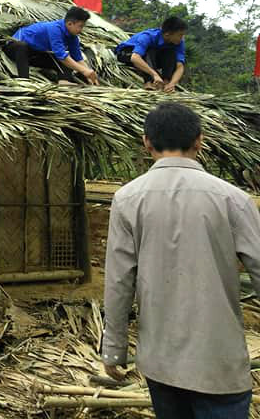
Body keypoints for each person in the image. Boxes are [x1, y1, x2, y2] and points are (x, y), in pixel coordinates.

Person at [102, 102, 260, 419]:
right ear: (199, 141)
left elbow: (119, 282)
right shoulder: (233, 199)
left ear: (147, 142)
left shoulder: (128, 199)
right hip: (219, 362)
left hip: (161, 364)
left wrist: (114, 349)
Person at [4, 6, 98, 84]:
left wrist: (90, 74)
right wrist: (84, 70)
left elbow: (78, 58)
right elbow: (61, 56)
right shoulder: (55, 29)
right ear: (70, 24)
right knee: (22, 46)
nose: (81, 30)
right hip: (14, 48)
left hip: (34, 53)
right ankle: (24, 81)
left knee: (67, 59)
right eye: (80, 26)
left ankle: (64, 81)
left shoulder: (73, 37)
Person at [115, 17, 187, 92]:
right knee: (150, 50)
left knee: (170, 53)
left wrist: (172, 83)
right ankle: (148, 82)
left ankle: (166, 82)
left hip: (150, 58)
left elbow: (180, 66)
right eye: (180, 35)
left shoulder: (179, 43)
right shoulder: (148, 36)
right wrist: (155, 75)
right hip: (127, 53)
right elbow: (135, 58)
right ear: (167, 34)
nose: (182, 38)